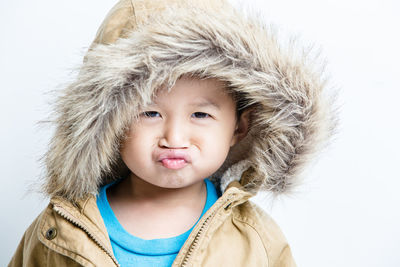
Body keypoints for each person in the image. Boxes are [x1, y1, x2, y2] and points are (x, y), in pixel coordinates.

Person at [9, 0, 336, 266]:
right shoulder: (62, 228)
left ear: (239, 126)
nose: (175, 137)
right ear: (110, 122)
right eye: (150, 113)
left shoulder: (255, 239)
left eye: (200, 114)